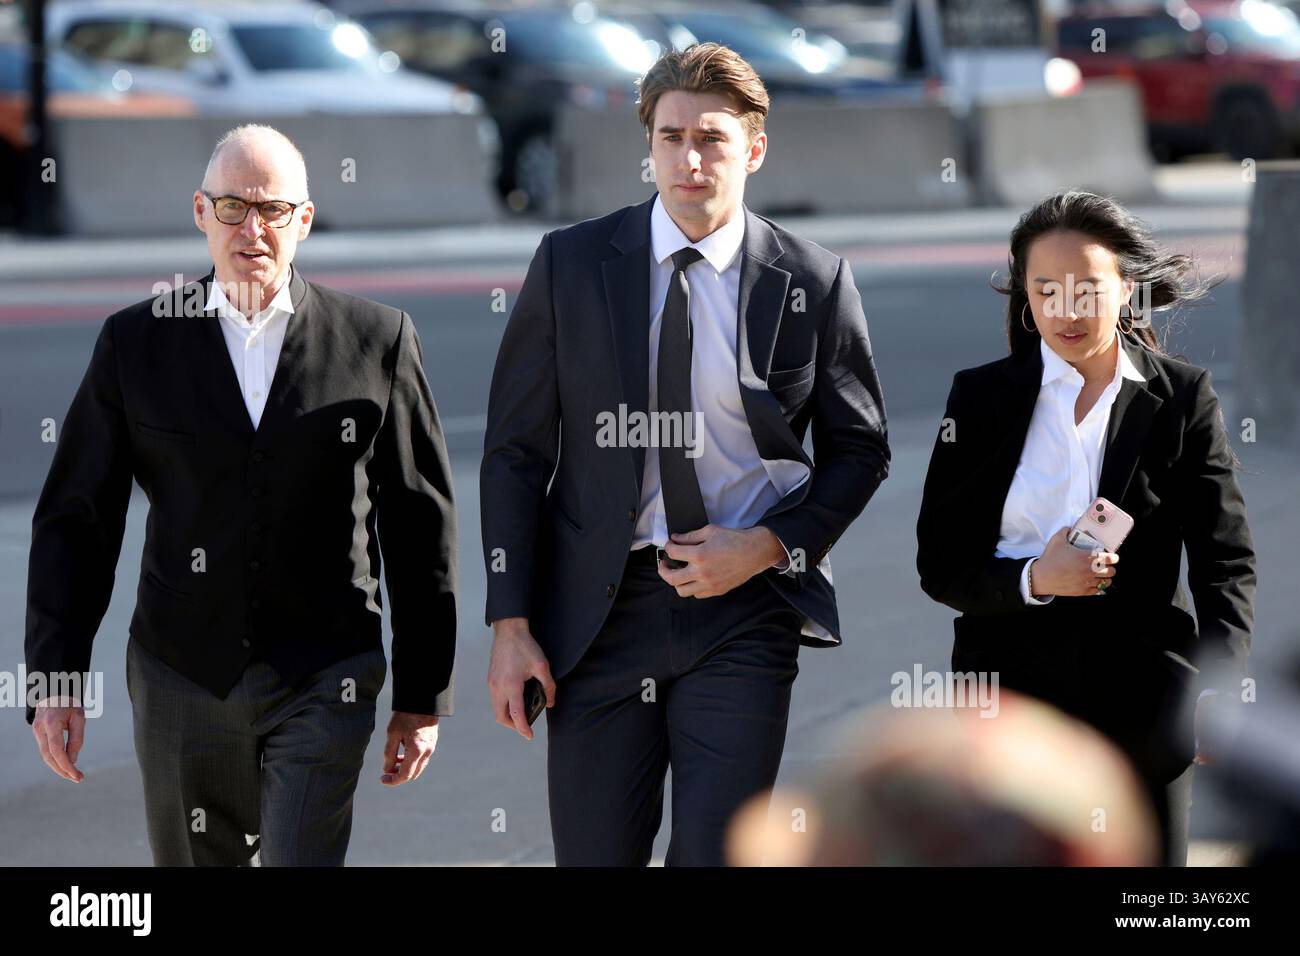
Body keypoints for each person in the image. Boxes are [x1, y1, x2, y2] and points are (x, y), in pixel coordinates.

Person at [481, 43, 889, 866]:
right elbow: (516, 452)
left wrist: (768, 547)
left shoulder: (812, 279)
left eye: (712, 139)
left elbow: (860, 449)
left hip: (744, 610)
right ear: (650, 144)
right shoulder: (572, 263)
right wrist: (510, 623)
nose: (690, 160)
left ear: (755, 149)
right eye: (671, 138)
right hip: (599, 614)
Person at [25, 125, 458, 866]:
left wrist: (423, 695)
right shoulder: (134, 344)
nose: (252, 229)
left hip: (327, 674)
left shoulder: (376, 340)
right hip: (180, 676)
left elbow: (420, 524)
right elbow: (78, 519)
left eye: (273, 210)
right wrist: (56, 678)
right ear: (200, 212)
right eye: (232, 207)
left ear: (305, 221)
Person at [916, 190, 1257, 866]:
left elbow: (1223, 557)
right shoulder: (979, 400)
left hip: (1148, 700)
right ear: (1024, 298)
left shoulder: (1181, 397)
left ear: (1126, 289)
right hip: (1009, 708)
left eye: (1087, 290)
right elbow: (942, 564)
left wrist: (1220, 680)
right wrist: (1036, 579)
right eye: (1045, 291)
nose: (1065, 311)